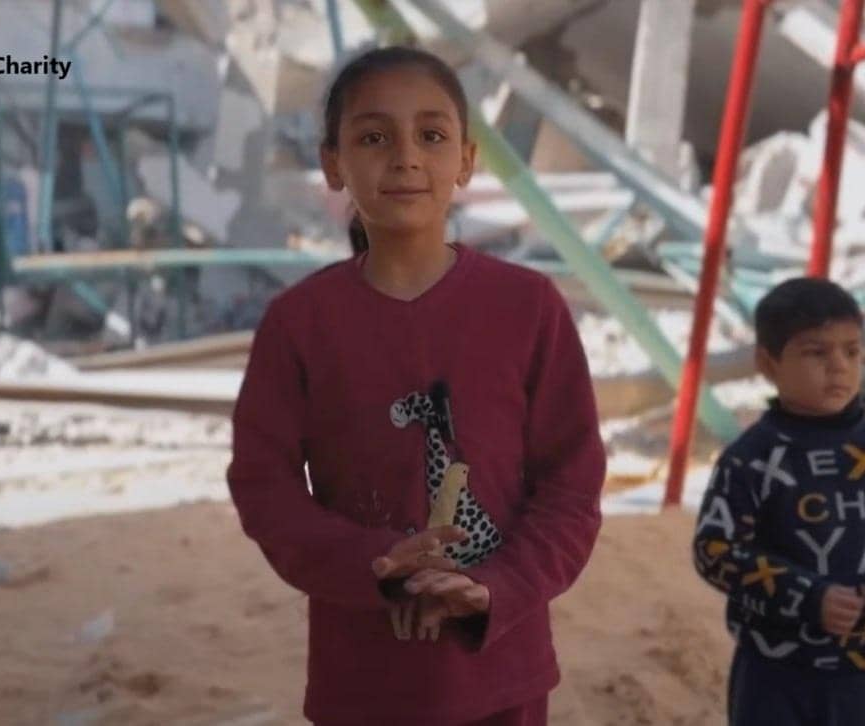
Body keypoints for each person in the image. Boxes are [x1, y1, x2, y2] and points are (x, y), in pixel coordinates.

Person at [225, 46, 607, 725]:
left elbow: (571, 484)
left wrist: (499, 586)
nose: (405, 156)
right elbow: (264, 486)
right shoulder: (300, 324)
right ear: (334, 164)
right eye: (374, 137)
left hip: (502, 675)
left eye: (431, 135)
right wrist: (373, 559)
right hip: (362, 682)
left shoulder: (527, 307)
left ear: (465, 159)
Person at [692, 277, 865, 726]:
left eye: (851, 351)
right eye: (816, 352)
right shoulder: (752, 458)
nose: (838, 367)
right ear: (767, 363)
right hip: (773, 674)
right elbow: (716, 550)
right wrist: (807, 597)